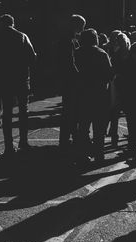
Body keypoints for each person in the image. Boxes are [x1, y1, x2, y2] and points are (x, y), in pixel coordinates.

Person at [0, 14, 36, 156]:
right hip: (21, 79)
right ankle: (23, 141)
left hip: (3, 80)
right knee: (23, 111)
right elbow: (32, 57)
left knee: (7, 113)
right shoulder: (22, 36)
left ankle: (8, 146)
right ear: (13, 23)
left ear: (1, 24)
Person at [74, 28, 113, 165]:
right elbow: (109, 74)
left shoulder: (77, 53)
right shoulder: (101, 53)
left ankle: (83, 154)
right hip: (99, 94)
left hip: (82, 93)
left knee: (83, 127)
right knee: (99, 128)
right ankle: (99, 154)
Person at [57, 14, 86, 151]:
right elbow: (70, 62)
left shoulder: (70, 39)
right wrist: (79, 77)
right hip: (71, 81)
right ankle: (66, 140)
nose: (82, 29)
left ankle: (69, 138)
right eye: (82, 26)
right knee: (71, 111)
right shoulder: (69, 40)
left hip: (67, 80)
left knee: (70, 111)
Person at [108, 32, 131, 147]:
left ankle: (115, 138)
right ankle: (115, 137)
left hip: (121, 85)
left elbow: (112, 69)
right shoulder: (127, 54)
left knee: (117, 113)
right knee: (119, 113)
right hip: (122, 86)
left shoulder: (119, 54)